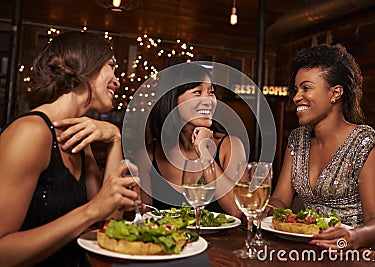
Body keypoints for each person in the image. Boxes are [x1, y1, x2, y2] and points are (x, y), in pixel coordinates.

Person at [0, 31, 139, 266]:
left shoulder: (78, 140)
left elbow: (110, 225)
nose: (117, 80)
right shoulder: (30, 132)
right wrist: (90, 211)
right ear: (84, 67)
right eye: (111, 66)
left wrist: (115, 138)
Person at [268, 43, 375, 257]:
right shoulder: (297, 139)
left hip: (364, 255)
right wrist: (263, 211)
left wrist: (353, 237)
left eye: (306, 88)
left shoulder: (364, 143)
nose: (296, 97)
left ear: (335, 93)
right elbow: (280, 199)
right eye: (296, 89)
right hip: (313, 251)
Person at [135, 63, 244, 218]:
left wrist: (204, 153)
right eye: (197, 92)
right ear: (173, 100)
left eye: (211, 92)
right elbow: (145, 217)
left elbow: (237, 210)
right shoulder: (148, 156)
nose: (208, 100)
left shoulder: (230, 146)